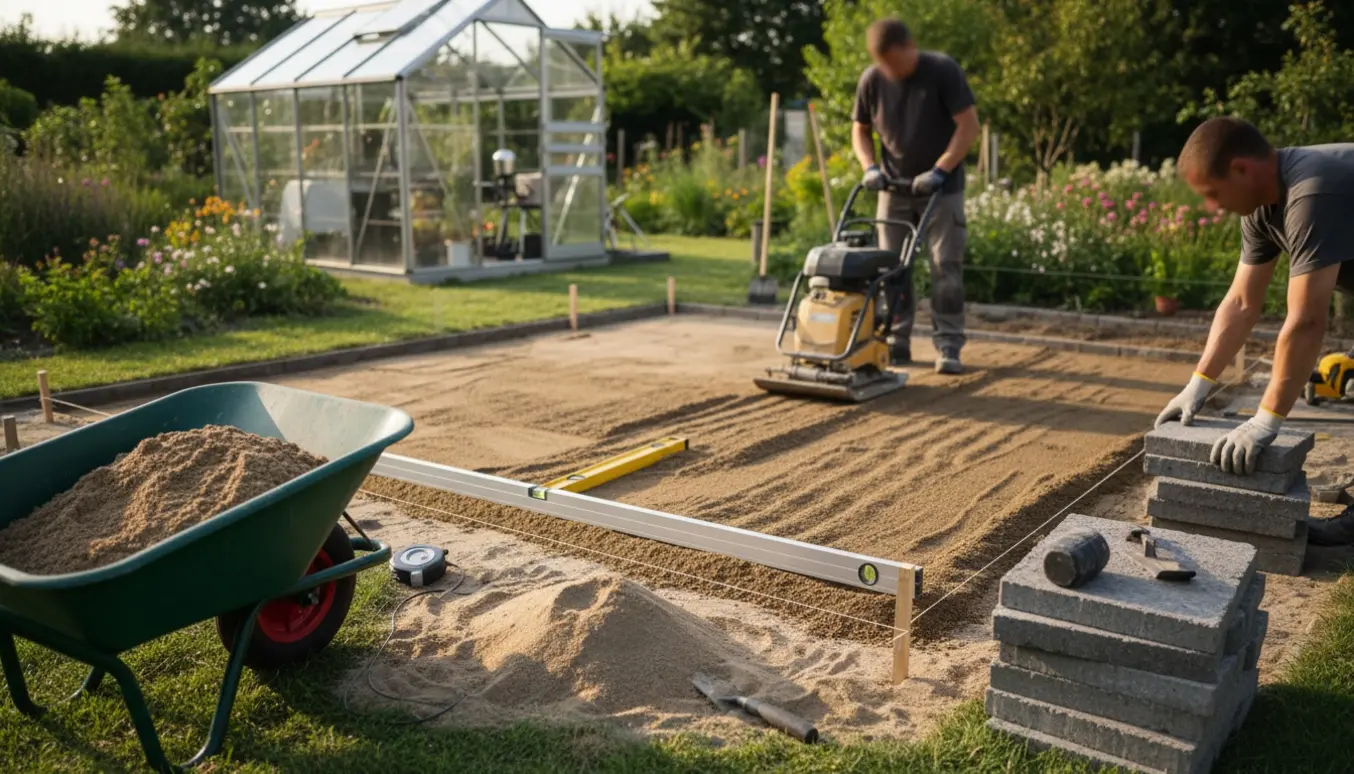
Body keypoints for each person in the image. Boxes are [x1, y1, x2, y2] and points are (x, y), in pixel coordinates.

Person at [1157, 116, 1354, 545]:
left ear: (1241, 169)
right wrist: (1199, 383)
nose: (1212, 207)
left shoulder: (1312, 192)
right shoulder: (1262, 209)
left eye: (1212, 193)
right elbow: (1242, 302)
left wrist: (1266, 420)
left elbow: (1305, 321)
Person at [851, 17, 981, 375]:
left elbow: (969, 125)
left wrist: (941, 169)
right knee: (890, 268)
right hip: (893, 188)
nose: (889, 70)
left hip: (942, 190)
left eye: (894, 61)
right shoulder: (872, 79)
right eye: (883, 63)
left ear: (910, 47)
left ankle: (949, 344)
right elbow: (860, 129)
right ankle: (896, 338)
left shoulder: (942, 70)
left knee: (945, 267)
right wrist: (869, 167)